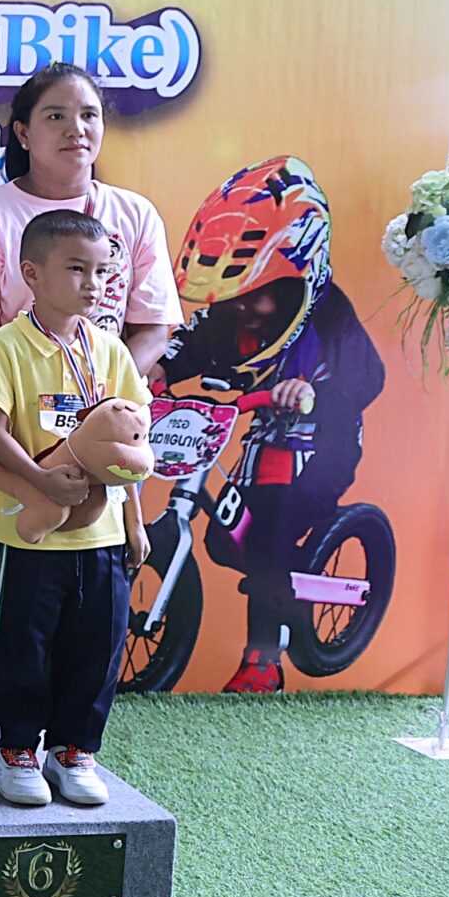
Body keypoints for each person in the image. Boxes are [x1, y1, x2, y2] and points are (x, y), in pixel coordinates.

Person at [0, 65, 179, 730]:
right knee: (2, 600)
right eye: (55, 115)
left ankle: (70, 745)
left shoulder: (133, 215)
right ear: (23, 132)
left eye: (89, 115)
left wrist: (102, 408)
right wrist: (44, 416)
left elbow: (153, 326)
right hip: (15, 439)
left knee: (90, 604)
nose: (76, 129)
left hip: (104, 447)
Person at [159, 156, 383, 692]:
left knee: (269, 539)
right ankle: (272, 571)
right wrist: (158, 369)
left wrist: (314, 392)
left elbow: (367, 377)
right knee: (224, 539)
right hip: (264, 437)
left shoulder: (330, 317)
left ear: (297, 274)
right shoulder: (234, 311)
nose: (242, 307)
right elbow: (190, 342)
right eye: (234, 295)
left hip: (319, 447)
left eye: (256, 291)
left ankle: (262, 659)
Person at [0, 209, 151, 807]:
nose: (93, 284)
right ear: (32, 274)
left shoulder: (111, 351)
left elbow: (131, 447)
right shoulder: (5, 347)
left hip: (101, 535)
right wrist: (41, 476)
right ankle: (13, 749)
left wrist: (135, 520)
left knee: (98, 645)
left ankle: (73, 750)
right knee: (25, 644)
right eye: (76, 269)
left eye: (102, 271)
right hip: (28, 534)